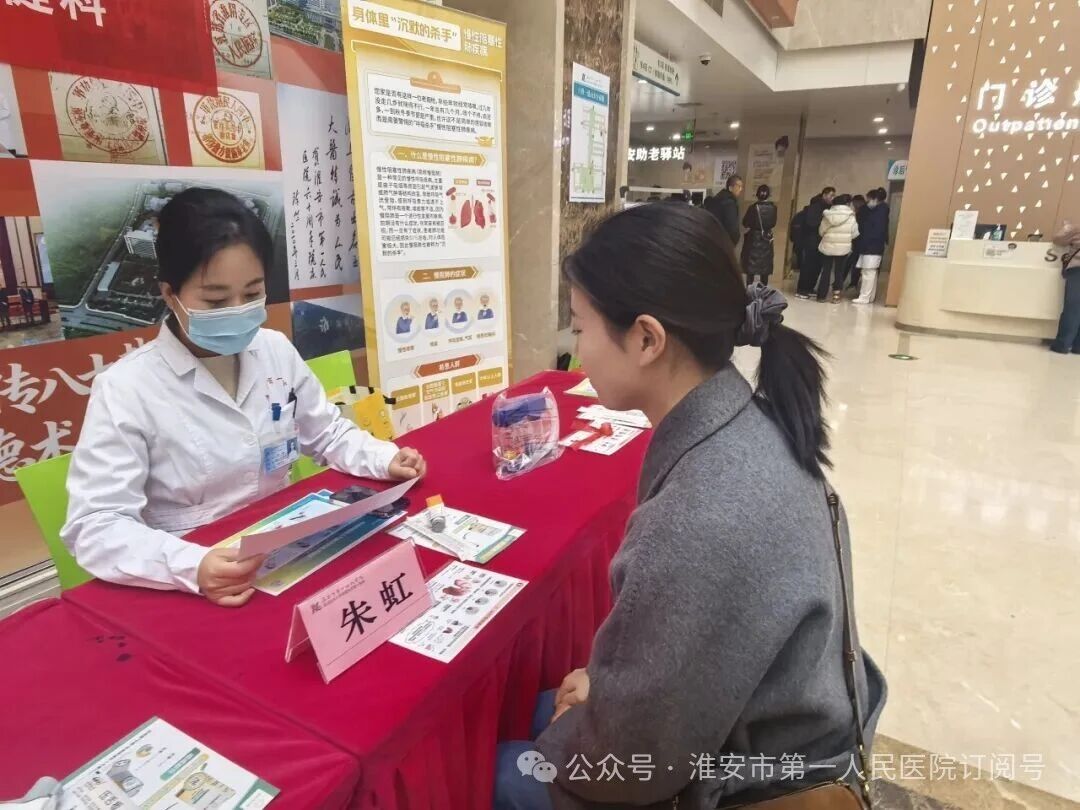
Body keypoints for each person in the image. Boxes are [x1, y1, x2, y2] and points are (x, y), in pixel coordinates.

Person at [494, 202, 885, 810]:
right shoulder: (752, 423)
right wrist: (602, 693)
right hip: (780, 721)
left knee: (501, 771)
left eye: (578, 327)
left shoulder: (700, 514)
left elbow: (628, 766)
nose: (574, 353)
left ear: (646, 338)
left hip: (749, 780)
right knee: (555, 703)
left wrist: (592, 717)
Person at [61, 188, 426, 606]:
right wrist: (190, 566)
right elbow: (95, 525)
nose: (238, 310)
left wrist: (382, 457)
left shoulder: (274, 349)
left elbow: (325, 434)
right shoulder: (126, 388)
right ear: (169, 294)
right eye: (216, 300)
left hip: (284, 550)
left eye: (252, 295)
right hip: (193, 576)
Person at [817, 193, 859, 303]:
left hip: (828, 246)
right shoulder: (851, 216)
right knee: (839, 271)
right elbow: (854, 233)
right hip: (843, 248)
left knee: (825, 271)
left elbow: (821, 231)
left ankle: (821, 296)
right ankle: (836, 296)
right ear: (847, 204)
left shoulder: (828, 215)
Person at [795, 187, 834, 298]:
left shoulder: (828, 208)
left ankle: (810, 288)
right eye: (831, 195)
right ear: (824, 195)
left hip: (820, 241)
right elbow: (810, 223)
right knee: (808, 266)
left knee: (817, 266)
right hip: (811, 241)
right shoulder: (815, 207)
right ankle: (802, 290)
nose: (832, 198)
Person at [853, 189, 890, 305]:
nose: (867, 202)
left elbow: (874, 231)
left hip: (871, 247)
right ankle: (869, 296)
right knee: (871, 272)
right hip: (874, 247)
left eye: (869, 199)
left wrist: (865, 242)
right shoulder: (881, 211)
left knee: (868, 272)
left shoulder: (879, 213)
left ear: (875, 199)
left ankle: (864, 297)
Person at [1050, 221, 1080, 354]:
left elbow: (1058, 240)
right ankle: (1076, 346)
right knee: (1073, 308)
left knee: (1072, 308)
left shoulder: (1076, 229)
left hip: (1077, 270)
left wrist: (1068, 229)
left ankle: (1062, 344)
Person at [740, 184, 777, 286]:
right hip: (766, 239)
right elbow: (773, 223)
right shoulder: (774, 208)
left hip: (753, 239)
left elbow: (745, 222)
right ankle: (763, 290)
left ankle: (749, 289)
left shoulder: (753, 208)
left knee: (750, 269)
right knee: (764, 268)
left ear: (757, 195)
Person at [703, 174, 743, 248]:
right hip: (724, 245)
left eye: (741, 187)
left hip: (712, 241)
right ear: (730, 188)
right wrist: (732, 244)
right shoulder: (729, 203)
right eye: (739, 186)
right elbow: (733, 230)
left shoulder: (717, 199)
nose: (741, 189)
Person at [847, 194, 868, 290]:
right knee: (854, 263)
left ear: (859, 202)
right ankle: (853, 283)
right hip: (859, 242)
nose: (853, 205)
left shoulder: (862, 212)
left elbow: (859, 228)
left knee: (854, 263)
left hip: (859, 242)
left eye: (854, 203)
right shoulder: (862, 211)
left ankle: (853, 283)